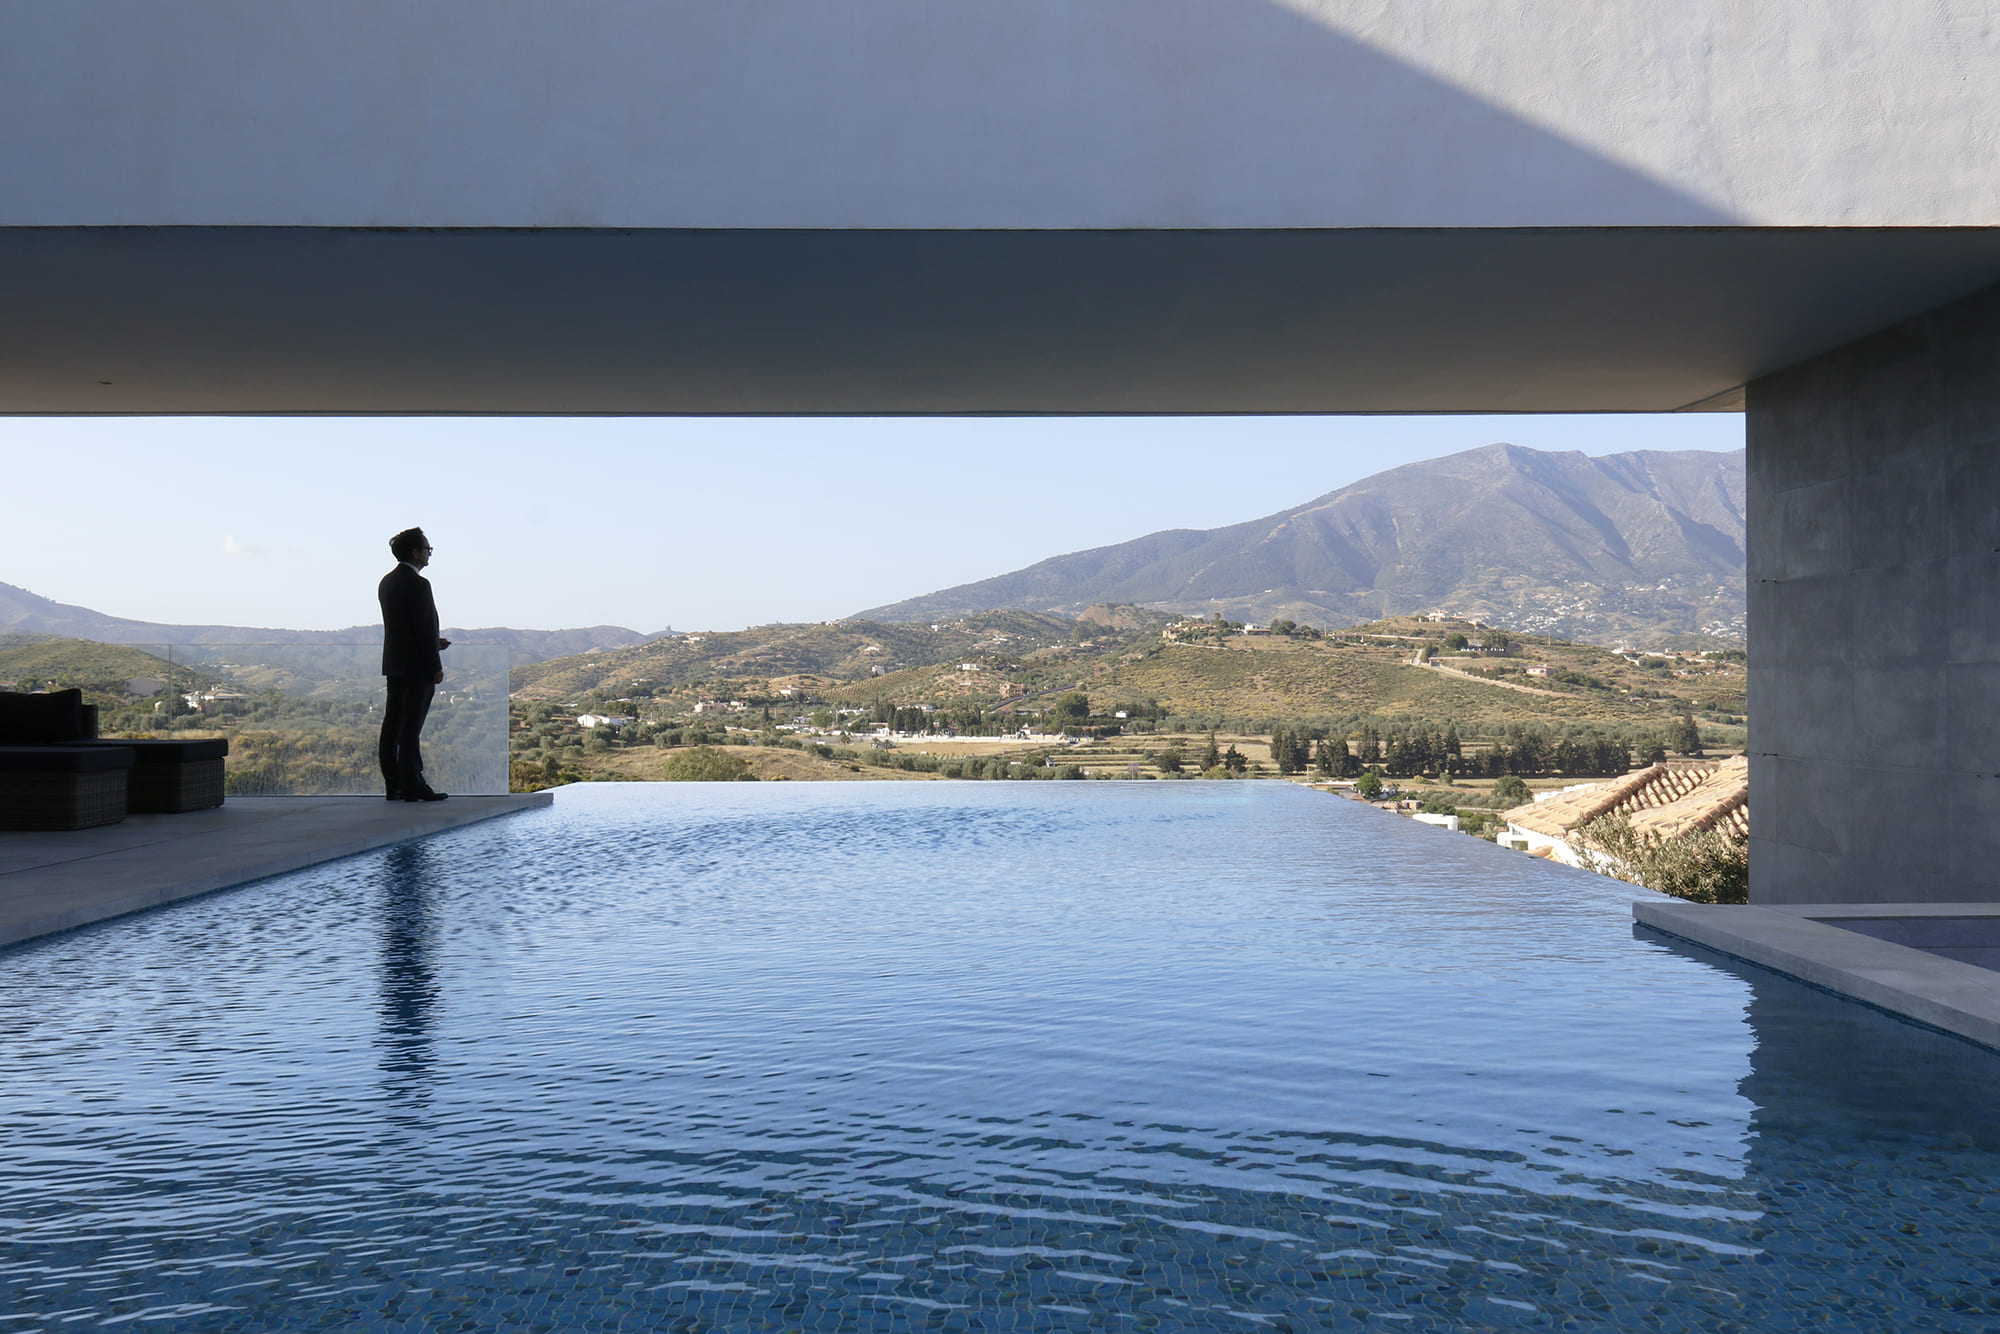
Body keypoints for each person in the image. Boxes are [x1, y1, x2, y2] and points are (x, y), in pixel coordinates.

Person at [378, 527, 451, 801]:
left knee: (392, 725)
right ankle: (414, 784)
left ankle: (394, 784)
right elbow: (422, 627)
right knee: (411, 727)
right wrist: (435, 664)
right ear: (415, 552)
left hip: (395, 664)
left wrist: (433, 641)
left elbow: (405, 629)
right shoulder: (420, 584)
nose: (429, 554)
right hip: (417, 667)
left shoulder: (387, 582)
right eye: (427, 549)